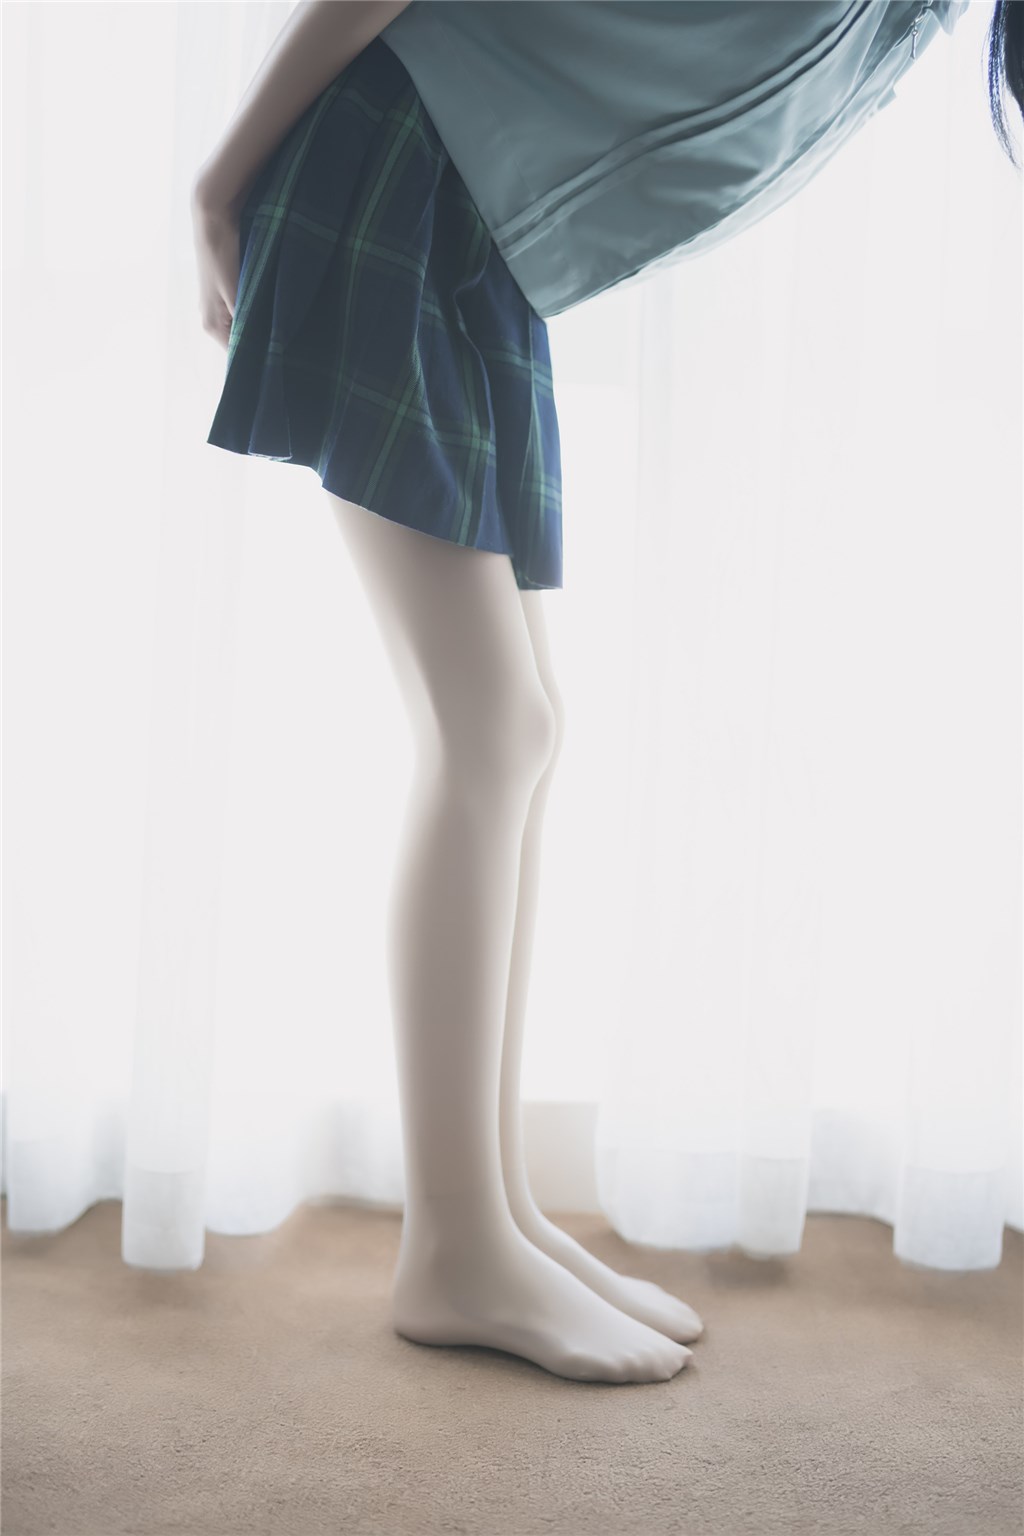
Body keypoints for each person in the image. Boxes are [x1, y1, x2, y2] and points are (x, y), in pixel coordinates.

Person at [191, 1, 1022, 1387]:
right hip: (388, 164)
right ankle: (452, 1246)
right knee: (486, 731)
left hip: (469, 211)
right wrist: (218, 182)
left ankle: (493, 1213)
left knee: (521, 731)